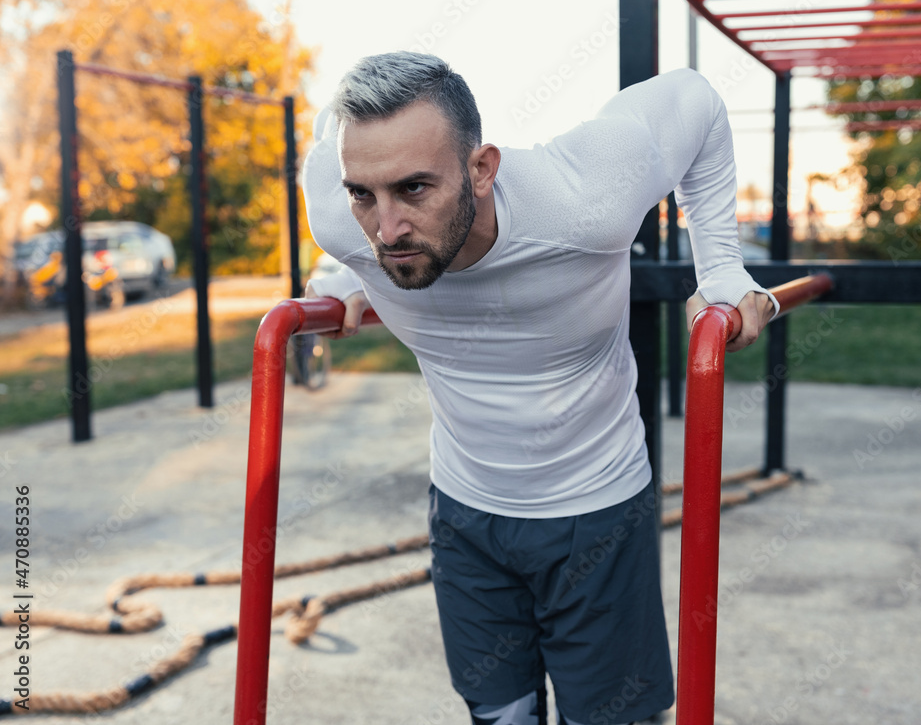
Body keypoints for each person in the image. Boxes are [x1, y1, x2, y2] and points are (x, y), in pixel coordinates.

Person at [302, 51, 777, 725]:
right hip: (465, 509)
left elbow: (695, 101)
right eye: (363, 195)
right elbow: (356, 198)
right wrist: (345, 268)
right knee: (500, 715)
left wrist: (723, 267)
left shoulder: (585, 194)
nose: (386, 229)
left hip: (597, 507)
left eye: (414, 189)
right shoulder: (337, 207)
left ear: (482, 169)